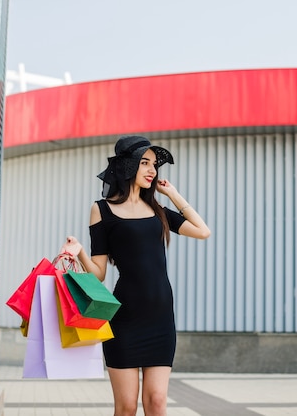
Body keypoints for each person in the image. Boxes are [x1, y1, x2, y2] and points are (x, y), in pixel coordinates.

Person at [62, 135, 210, 416]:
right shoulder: (102, 210)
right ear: (128, 166)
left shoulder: (159, 212)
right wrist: (79, 251)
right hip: (124, 320)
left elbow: (203, 231)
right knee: (127, 407)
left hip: (160, 319)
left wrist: (173, 194)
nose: (152, 170)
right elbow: (98, 275)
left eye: (155, 164)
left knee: (156, 402)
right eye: (145, 163)